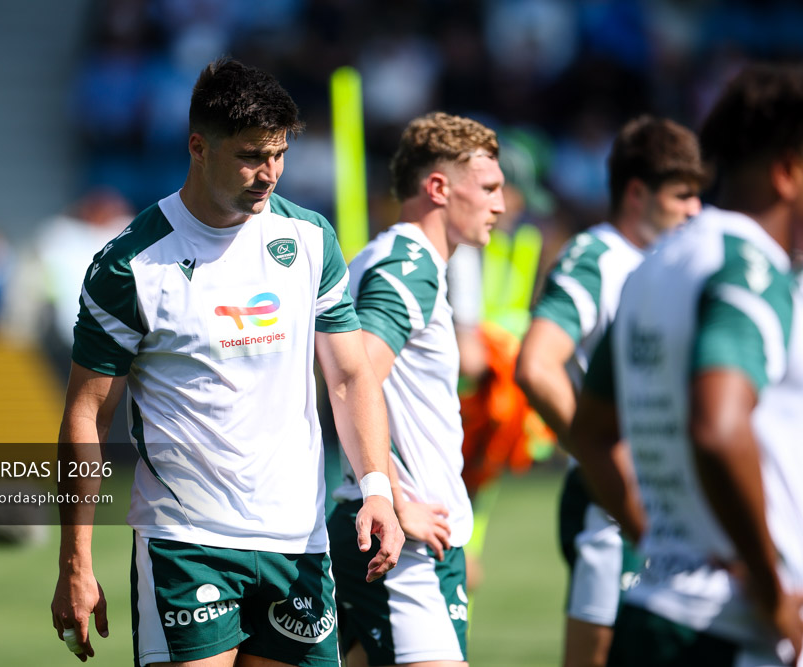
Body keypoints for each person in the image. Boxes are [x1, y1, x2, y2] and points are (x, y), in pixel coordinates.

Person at [50, 58, 403, 666]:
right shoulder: (130, 266)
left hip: (300, 540)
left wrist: (377, 487)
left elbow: (348, 376)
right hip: (186, 544)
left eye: (279, 154)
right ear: (198, 148)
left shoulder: (311, 239)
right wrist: (76, 563)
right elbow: (87, 418)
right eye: (250, 156)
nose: (269, 174)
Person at [570, 63, 803, 666]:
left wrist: (658, 538)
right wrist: (772, 590)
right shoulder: (750, 266)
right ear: (788, 171)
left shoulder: (655, 265)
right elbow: (718, 428)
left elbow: (590, 434)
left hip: (655, 607)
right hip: (732, 631)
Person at [515, 115, 704, 667]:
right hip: (611, 503)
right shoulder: (595, 258)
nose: (695, 209)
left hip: (669, 494)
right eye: (683, 194)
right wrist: (602, 459)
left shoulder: (667, 263)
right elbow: (537, 364)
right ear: (638, 191)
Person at [328, 111, 505, 667]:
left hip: (372, 522)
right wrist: (396, 503)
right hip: (401, 541)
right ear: (438, 188)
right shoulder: (411, 267)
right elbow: (355, 378)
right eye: (490, 188)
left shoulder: (384, 256)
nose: (500, 205)